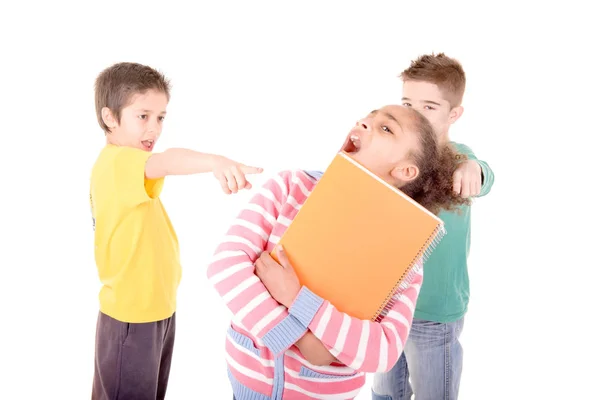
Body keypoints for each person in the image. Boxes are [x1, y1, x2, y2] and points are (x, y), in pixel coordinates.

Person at [207, 105, 470, 399]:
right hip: (247, 382)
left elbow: (383, 350)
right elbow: (225, 266)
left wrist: (297, 298)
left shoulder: (406, 254)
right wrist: (302, 340)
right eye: (368, 117)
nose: (365, 123)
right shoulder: (290, 187)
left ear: (405, 170)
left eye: (386, 128)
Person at [90, 62, 262, 400]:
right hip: (131, 319)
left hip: (155, 311)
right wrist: (216, 162)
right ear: (110, 118)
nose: (154, 128)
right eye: (143, 116)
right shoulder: (118, 163)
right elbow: (168, 160)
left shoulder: (131, 168)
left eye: (160, 117)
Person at [372, 53, 495, 400]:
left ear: (453, 114)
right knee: (383, 392)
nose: (415, 114)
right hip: (385, 307)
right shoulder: (391, 157)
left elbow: (483, 175)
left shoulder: (458, 157)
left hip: (434, 311)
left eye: (429, 106)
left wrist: (473, 169)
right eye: (408, 103)